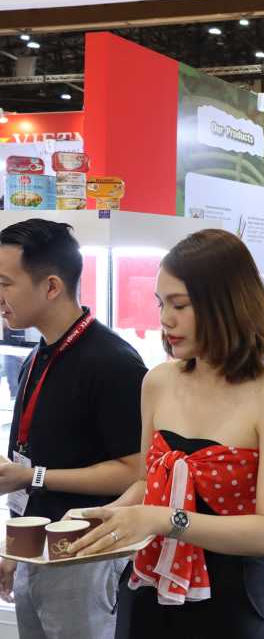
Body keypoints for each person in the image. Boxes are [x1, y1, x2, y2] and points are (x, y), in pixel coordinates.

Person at [67, 229, 264, 638]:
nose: (165, 319)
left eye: (179, 305)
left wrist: (163, 520)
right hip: (148, 587)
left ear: (226, 304)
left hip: (231, 600)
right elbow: (148, 481)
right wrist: (108, 519)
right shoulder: (158, 381)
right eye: (161, 304)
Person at [0, 219, 146, 639]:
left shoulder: (113, 363)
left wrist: (32, 476)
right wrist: (14, 549)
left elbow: (136, 471)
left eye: (6, 283)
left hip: (85, 554)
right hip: (34, 551)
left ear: (51, 286)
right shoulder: (37, 356)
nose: (0, 297)